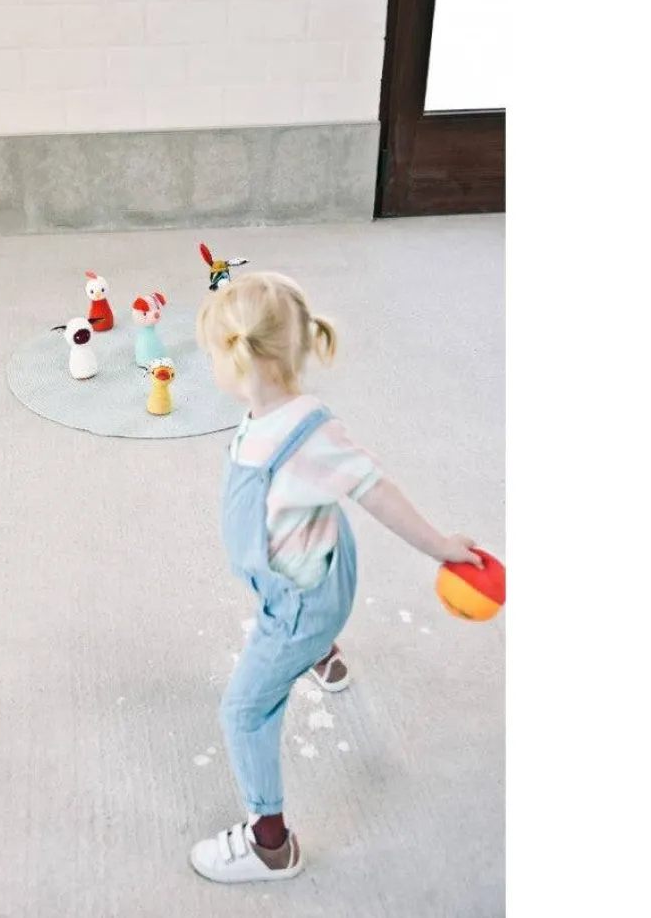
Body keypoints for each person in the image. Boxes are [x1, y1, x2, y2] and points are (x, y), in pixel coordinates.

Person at [190, 272, 482, 883]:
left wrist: (442, 548)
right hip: (313, 569)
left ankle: (270, 845)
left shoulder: (311, 435)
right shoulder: (272, 412)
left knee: (243, 711)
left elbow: (377, 491)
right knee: (299, 586)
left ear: (240, 359)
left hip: (300, 604)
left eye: (211, 353)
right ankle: (323, 652)